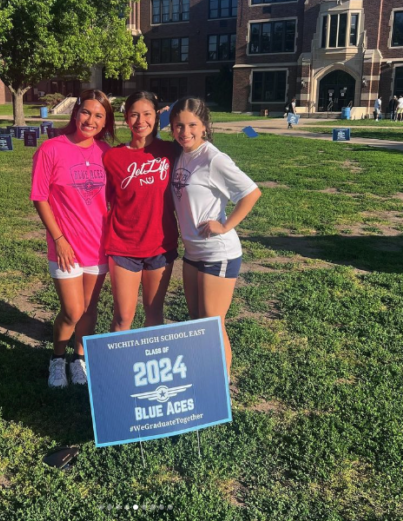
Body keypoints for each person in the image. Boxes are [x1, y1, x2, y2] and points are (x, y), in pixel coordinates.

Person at [169, 97, 261, 379]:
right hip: (193, 253)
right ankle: (204, 379)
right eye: (179, 126)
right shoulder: (183, 155)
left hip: (217, 253)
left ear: (205, 126)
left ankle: (220, 390)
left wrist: (226, 225)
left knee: (212, 323)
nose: (185, 132)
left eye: (192, 125)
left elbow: (251, 192)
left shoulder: (213, 158)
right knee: (197, 322)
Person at [30, 89, 115, 388]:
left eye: (99, 115)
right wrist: (59, 238)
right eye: (87, 112)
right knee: (72, 310)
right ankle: (57, 360)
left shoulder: (107, 153)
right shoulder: (51, 149)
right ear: (76, 112)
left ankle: (79, 359)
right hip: (65, 246)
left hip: (98, 246)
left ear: (106, 122)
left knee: (89, 310)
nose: (90, 120)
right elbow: (40, 198)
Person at [103, 91, 179, 332]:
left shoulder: (171, 152)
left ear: (156, 117)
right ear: (126, 118)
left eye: (147, 114)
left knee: (154, 313)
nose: (140, 121)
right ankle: (118, 368)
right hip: (124, 245)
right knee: (123, 317)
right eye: (134, 115)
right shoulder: (113, 157)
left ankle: (149, 368)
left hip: (160, 244)